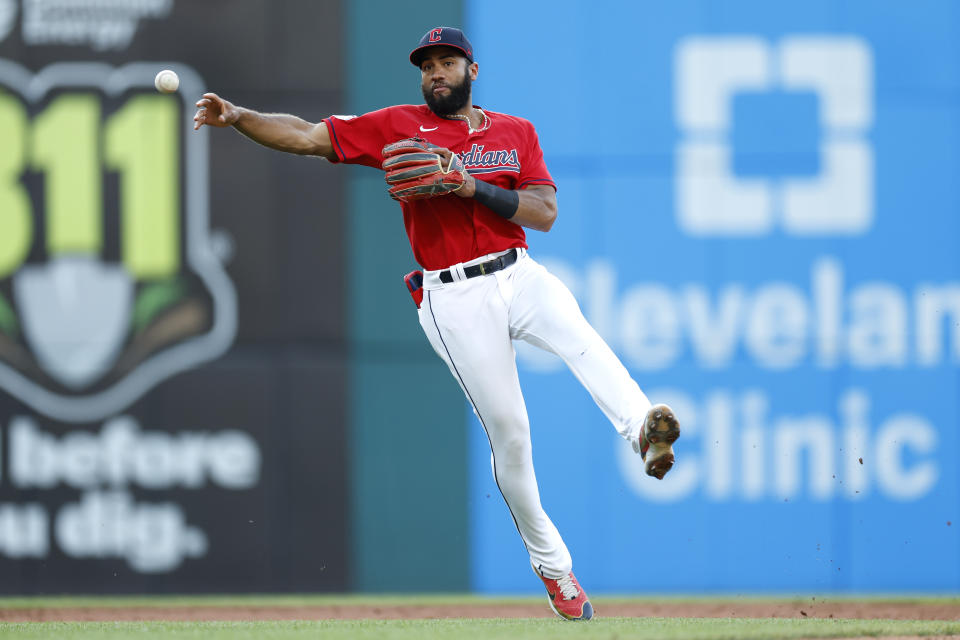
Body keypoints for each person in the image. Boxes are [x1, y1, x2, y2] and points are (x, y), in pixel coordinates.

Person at [193, 26, 680, 621]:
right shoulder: (399, 125)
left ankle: (641, 429)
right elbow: (307, 137)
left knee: (582, 339)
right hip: (452, 295)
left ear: (473, 70)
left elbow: (544, 212)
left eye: (448, 63)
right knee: (513, 436)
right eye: (428, 67)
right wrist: (240, 114)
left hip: (517, 270)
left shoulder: (514, 132)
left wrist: (469, 185)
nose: (436, 74)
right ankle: (555, 570)